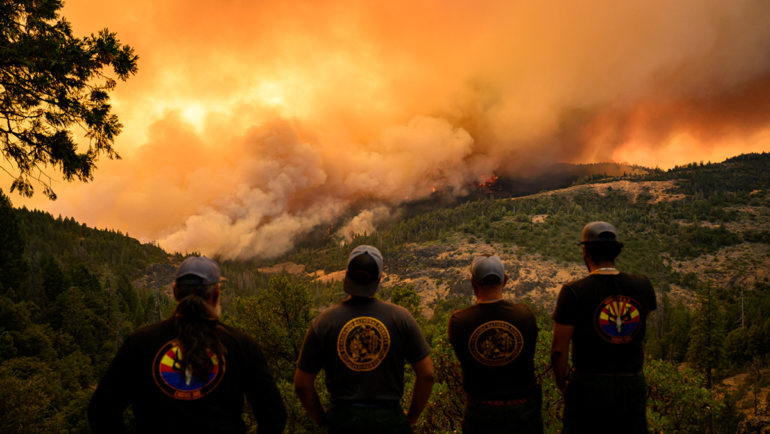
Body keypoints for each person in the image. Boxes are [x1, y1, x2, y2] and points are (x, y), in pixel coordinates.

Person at [88, 256, 287, 434]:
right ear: (215, 293)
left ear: (175, 292)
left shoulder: (140, 342)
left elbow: (101, 410)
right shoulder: (240, 344)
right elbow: (273, 414)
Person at [294, 245, 435, 434]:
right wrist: (412, 416)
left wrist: (321, 418)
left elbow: (302, 384)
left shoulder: (323, 322)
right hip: (389, 420)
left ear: (346, 274)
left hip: (343, 421)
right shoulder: (401, 318)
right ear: (380, 278)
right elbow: (427, 374)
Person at [550, 222, 657, 434]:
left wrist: (562, 384)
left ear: (585, 252)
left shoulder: (573, 291)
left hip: (588, 385)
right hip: (632, 383)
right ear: (616, 250)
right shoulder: (642, 285)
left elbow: (558, 349)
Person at [448, 254, 542, 434]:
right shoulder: (525, 315)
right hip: (524, 413)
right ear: (505, 280)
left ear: (472, 283)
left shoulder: (459, 321)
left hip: (480, 414)